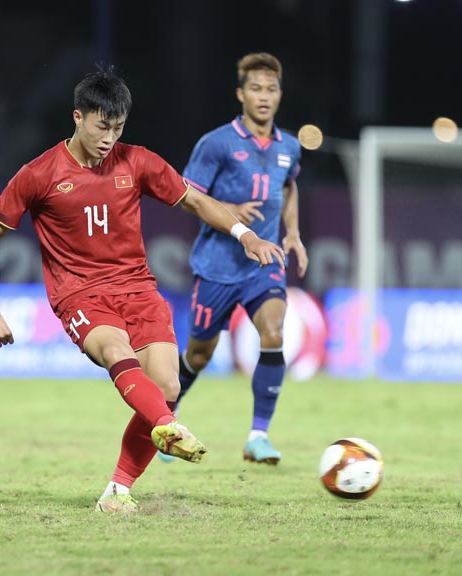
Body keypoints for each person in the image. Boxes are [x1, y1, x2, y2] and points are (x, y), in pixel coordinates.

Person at [0, 67, 285, 513]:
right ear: (78, 117)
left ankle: (117, 491)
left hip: (137, 289)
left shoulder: (136, 161)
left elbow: (195, 199)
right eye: (102, 127)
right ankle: (167, 428)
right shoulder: (39, 174)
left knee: (168, 384)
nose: (109, 138)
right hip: (79, 294)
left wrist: (244, 235)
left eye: (118, 128)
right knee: (116, 351)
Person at [171, 52, 309, 466]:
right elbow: (186, 198)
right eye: (255, 89)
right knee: (198, 355)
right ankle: (164, 417)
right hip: (217, 266)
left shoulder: (290, 146)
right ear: (240, 94)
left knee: (273, 330)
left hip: (262, 264)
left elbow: (288, 189)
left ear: (279, 95)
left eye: (271, 89)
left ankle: (258, 436)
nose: (263, 97)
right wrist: (230, 206)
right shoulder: (216, 144)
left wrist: (294, 234)